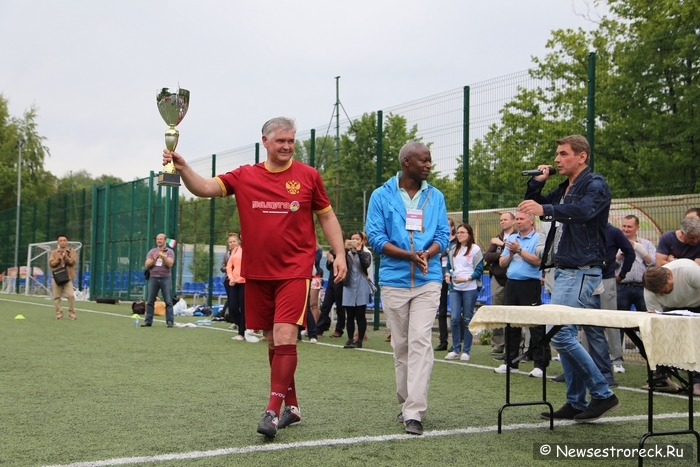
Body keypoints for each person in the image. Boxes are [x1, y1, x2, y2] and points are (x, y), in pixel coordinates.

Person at [162, 117, 347, 438]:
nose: (288, 146)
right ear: (265, 141)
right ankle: (292, 406)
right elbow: (204, 188)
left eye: (291, 141)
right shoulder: (245, 175)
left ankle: (272, 411)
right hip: (258, 274)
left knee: (286, 336)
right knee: (273, 341)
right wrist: (182, 168)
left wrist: (340, 252)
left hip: (294, 271)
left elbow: (327, 216)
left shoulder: (308, 176)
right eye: (281, 141)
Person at [520, 134, 620, 423]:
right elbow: (533, 204)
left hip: (582, 268)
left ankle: (602, 394)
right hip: (564, 268)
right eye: (557, 154)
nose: (557, 159)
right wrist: (537, 182)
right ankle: (576, 402)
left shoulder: (595, 185)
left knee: (560, 333)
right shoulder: (566, 187)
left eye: (563, 154)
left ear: (581, 156)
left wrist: (546, 209)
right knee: (563, 333)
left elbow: (584, 211)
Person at [365, 141, 450, 436]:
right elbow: (375, 238)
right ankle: (405, 404)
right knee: (400, 346)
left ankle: (415, 411)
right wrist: (408, 256)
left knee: (420, 342)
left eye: (429, 160)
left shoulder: (435, 196)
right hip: (394, 281)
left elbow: (443, 235)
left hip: (429, 279)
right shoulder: (381, 196)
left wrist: (428, 253)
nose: (428, 165)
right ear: (406, 163)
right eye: (423, 161)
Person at [495, 210, 549, 377]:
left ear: (531, 221)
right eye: (516, 219)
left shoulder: (538, 238)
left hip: (530, 284)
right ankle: (511, 362)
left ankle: (540, 363)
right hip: (512, 284)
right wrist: (511, 253)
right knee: (511, 324)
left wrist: (519, 251)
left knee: (535, 325)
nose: (518, 222)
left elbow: (538, 261)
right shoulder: (511, 238)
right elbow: (502, 262)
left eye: (521, 219)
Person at [643, 259, 700, 395]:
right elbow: (654, 321)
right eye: (658, 293)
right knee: (662, 337)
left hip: (697, 305)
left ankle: (697, 383)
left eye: (662, 290)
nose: (661, 295)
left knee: (697, 341)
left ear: (669, 277)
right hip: (671, 309)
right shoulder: (650, 291)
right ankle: (662, 379)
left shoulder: (690, 271)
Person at [597, 223, 634, 375]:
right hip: (586, 280)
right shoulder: (586, 228)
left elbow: (630, 252)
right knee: (585, 321)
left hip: (606, 280)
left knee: (610, 320)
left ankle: (617, 360)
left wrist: (622, 274)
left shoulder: (613, 232)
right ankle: (587, 358)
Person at [444, 223, 483, 361]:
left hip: (470, 288)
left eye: (463, 232)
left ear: (469, 234)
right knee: (454, 318)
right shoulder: (452, 249)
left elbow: (479, 270)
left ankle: (466, 351)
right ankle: (455, 349)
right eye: (458, 232)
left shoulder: (475, 249)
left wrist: (466, 278)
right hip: (455, 288)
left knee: (467, 319)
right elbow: (449, 267)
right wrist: (448, 275)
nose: (459, 235)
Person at [483, 212, 516, 355]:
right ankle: (498, 343)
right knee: (497, 310)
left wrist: (502, 246)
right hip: (498, 277)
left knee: (514, 312)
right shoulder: (496, 238)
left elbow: (519, 253)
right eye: (501, 220)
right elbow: (488, 256)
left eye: (505, 219)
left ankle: (516, 344)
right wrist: (502, 254)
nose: (502, 222)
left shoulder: (517, 236)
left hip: (514, 278)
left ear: (513, 221)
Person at [616, 214, 656, 313]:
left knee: (645, 316)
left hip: (642, 287)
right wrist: (623, 251)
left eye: (629, 226)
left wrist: (640, 249)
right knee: (622, 319)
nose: (626, 229)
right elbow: (610, 263)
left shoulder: (646, 244)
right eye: (624, 226)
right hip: (622, 287)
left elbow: (653, 262)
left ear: (637, 227)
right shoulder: (615, 243)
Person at [342, 232, 372, 349]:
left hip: (361, 285)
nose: (354, 241)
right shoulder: (347, 254)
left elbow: (366, 265)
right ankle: (350, 339)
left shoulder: (366, 253)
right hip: (349, 286)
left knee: (360, 315)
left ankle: (359, 340)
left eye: (357, 239)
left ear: (362, 241)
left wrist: (359, 251)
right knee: (349, 315)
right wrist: (344, 249)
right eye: (352, 239)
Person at [143, 233, 175, 327]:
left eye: (161, 239)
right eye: (157, 239)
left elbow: (170, 264)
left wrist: (163, 257)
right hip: (153, 278)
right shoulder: (152, 251)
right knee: (150, 300)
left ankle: (170, 321)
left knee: (168, 301)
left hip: (166, 278)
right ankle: (148, 321)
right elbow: (147, 264)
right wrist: (154, 259)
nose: (159, 241)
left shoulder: (169, 252)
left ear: (165, 241)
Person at [435, 218, 456, 351]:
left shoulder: (458, 241)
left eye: (448, 225)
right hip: (440, 275)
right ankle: (443, 341)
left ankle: (458, 342)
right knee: (441, 310)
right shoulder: (438, 240)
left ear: (452, 227)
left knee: (456, 312)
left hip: (455, 277)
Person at [316, 247, 345, 337]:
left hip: (341, 282)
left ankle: (339, 329)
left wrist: (332, 260)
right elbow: (329, 268)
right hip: (331, 282)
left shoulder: (344, 253)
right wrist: (329, 261)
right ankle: (320, 328)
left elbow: (342, 267)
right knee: (325, 306)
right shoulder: (331, 251)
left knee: (340, 308)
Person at [49, 234, 78, 320]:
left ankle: (72, 313)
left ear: (67, 242)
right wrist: (58, 259)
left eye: (64, 240)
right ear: (58, 242)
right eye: (61, 241)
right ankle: (59, 313)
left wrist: (65, 257)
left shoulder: (71, 251)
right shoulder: (54, 252)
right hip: (57, 277)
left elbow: (73, 262)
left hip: (67, 277)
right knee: (57, 296)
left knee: (70, 295)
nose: (63, 242)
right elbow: (51, 264)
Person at [226, 232, 247, 340]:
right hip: (234, 282)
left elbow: (248, 267)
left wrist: (238, 280)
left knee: (243, 307)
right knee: (233, 307)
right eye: (230, 242)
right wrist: (231, 278)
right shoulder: (234, 251)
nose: (232, 243)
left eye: (234, 241)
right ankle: (243, 326)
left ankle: (242, 332)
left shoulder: (247, 250)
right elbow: (229, 266)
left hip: (244, 282)